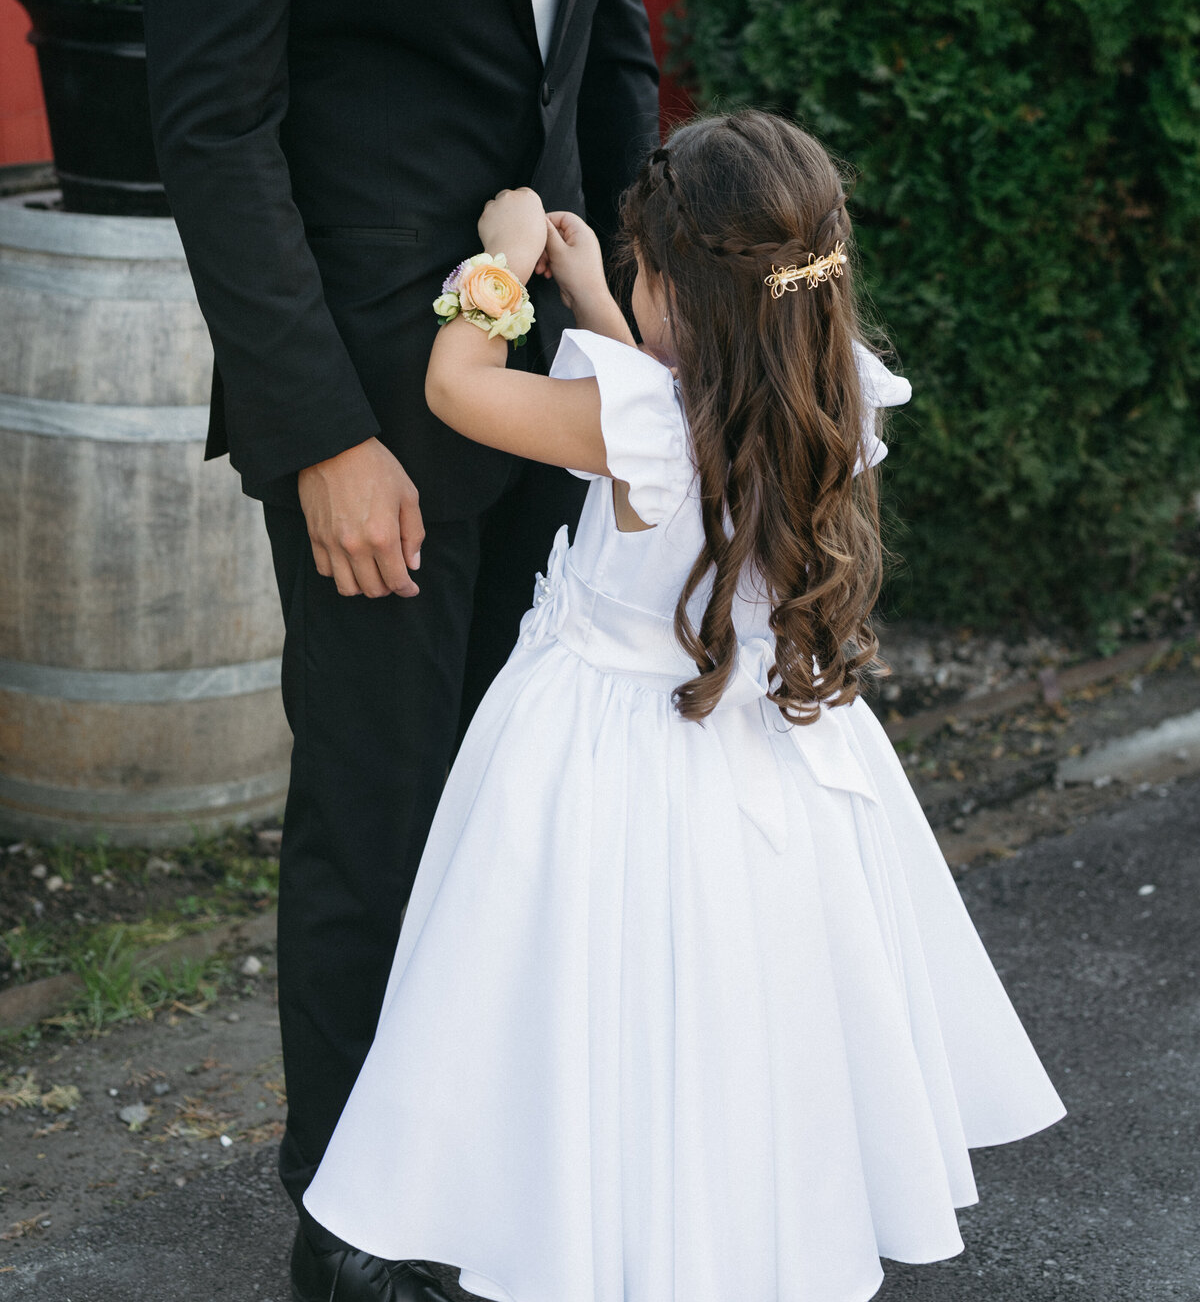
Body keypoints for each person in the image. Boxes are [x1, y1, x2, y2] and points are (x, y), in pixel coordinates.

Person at [138, 0, 663, 1297]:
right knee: (382, 812)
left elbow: (610, 35)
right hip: (371, 397)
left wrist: (639, 340)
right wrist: (321, 439)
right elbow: (208, 124)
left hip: (559, 389)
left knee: (534, 801)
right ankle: (353, 1220)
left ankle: (496, 1153)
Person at [302, 111, 1065, 1302]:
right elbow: (669, 402)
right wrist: (596, 296)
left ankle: (585, 1234)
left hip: (607, 758)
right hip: (761, 755)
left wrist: (495, 267)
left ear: (685, 293)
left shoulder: (641, 424)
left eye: (644, 272)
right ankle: (731, 1240)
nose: (634, 291)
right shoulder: (832, 391)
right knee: (731, 1014)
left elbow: (458, 389)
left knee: (593, 1001)